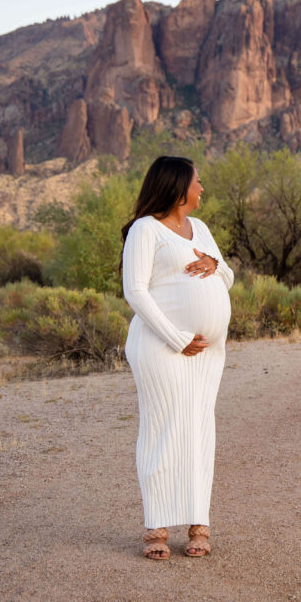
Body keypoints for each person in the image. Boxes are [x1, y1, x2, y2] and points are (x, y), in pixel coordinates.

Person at [120, 156, 234, 558]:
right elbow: (135, 291)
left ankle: (198, 523)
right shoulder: (144, 230)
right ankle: (156, 527)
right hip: (161, 347)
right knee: (162, 429)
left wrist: (215, 264)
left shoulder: (199, 229)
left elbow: (229, 276)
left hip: (205, 355)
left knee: (200, 430)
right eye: (197, 182)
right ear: (177, 187)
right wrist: (176, 337)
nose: (202, 188)